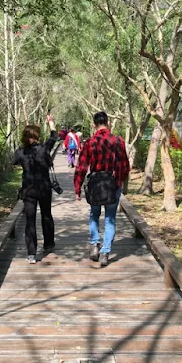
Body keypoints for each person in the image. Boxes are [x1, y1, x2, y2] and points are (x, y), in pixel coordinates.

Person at [74, 111, 130, 267]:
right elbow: (124, 164)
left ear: (94, 125)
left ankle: (94, 245)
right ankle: (105, 252)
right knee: (110, 218)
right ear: (108, 123)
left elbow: (81, 167)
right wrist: (120, 182)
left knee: (94, 214)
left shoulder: (90, 142)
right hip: (113, 184)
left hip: (96, 185)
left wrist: (77, 188)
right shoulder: (118, 141)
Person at [13, 116, 57, 264]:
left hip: (29, 190)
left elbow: (14, 161)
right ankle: (48, 244)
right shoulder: (44, 149)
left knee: (30, 220)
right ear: (37, 136)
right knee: (46, 215)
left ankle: (31, 254)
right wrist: (51, 123)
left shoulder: (21, 151)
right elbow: (54, 136)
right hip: (44, 188)